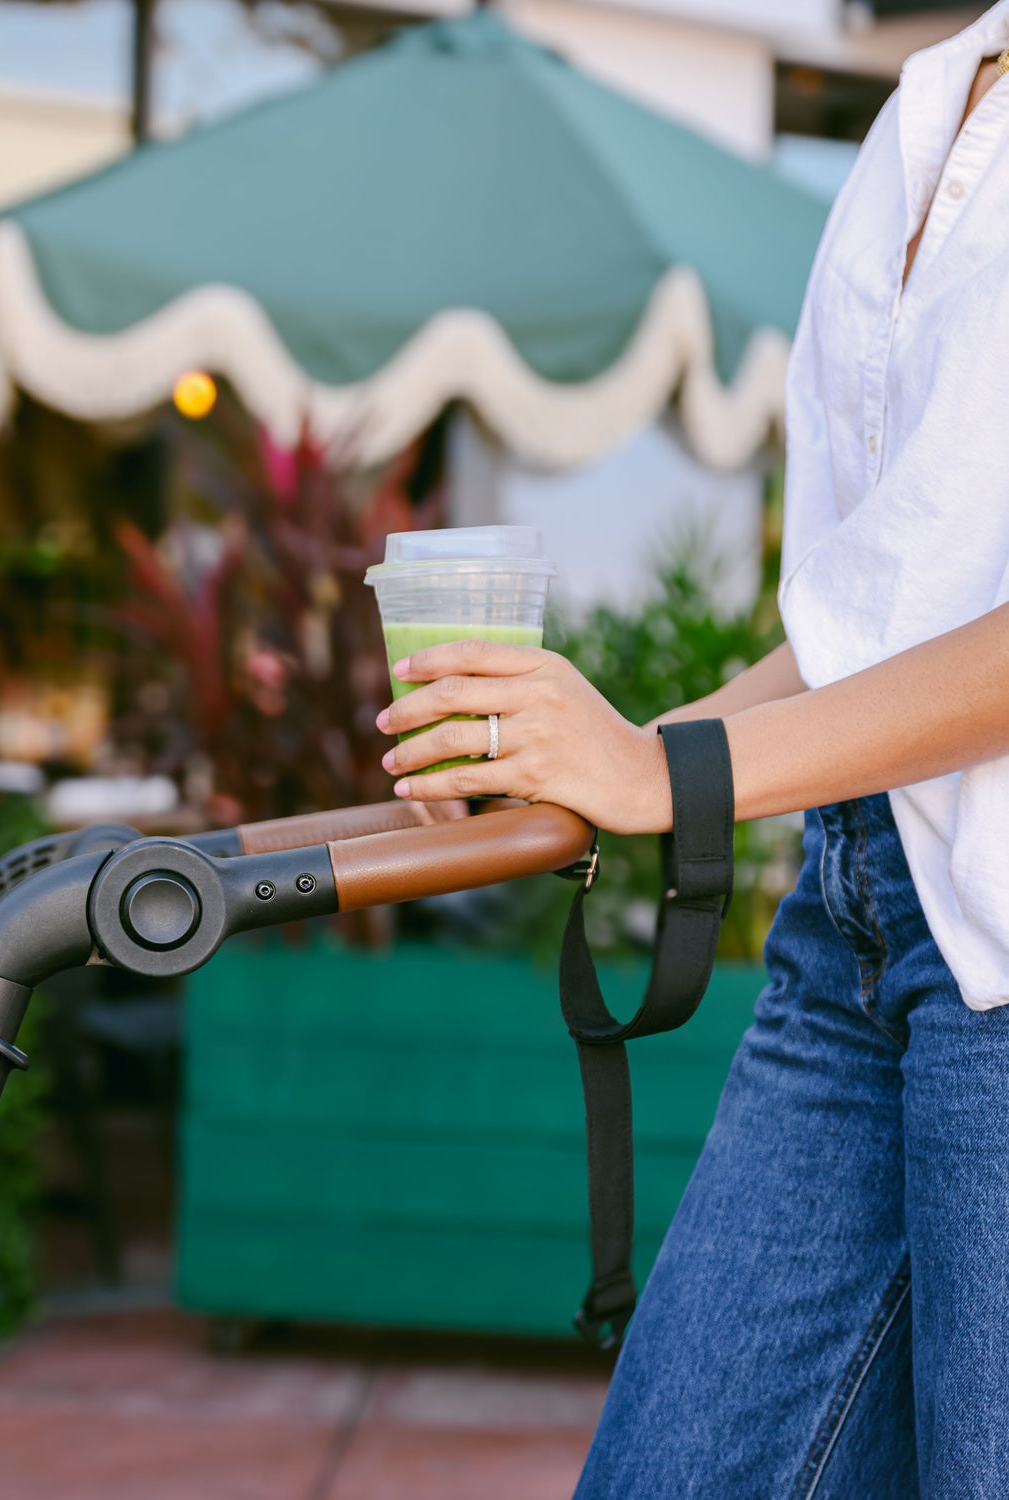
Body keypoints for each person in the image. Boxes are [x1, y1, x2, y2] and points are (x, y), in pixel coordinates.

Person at [375, 10, 1009, 1497]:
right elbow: (876, 622)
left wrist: (669, 785)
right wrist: (589, 757)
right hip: (855, 921)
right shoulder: (924, 107)